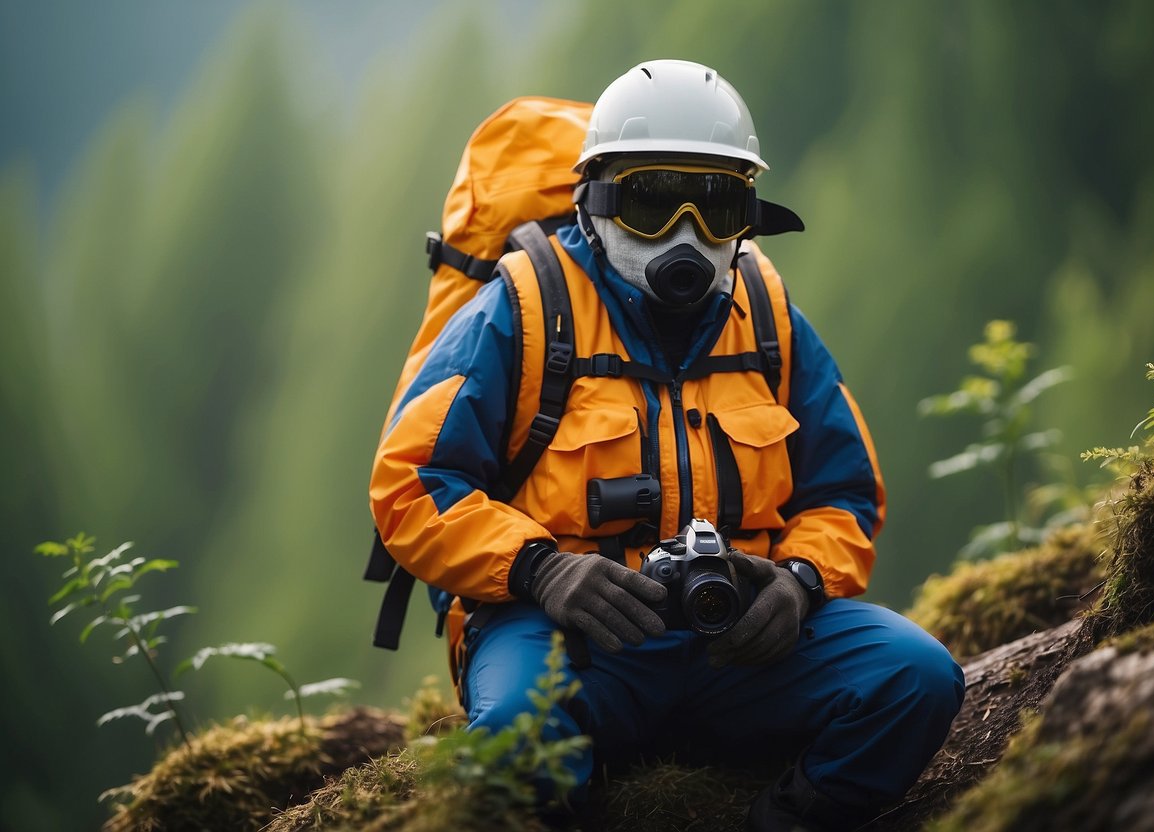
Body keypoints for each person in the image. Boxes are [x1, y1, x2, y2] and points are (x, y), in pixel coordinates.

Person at [370, 59, 964, 832]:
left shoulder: (767, 312)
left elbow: (844, 491)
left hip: (735, 646)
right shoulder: (522, 306)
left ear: (748, 214)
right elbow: (412, 483)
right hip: (564, 637)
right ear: (596, 200)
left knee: (914, 677)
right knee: (516, 747)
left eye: (716, 205)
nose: (687, 236)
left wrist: (797, 584)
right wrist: (540, 570)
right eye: (652, 202)